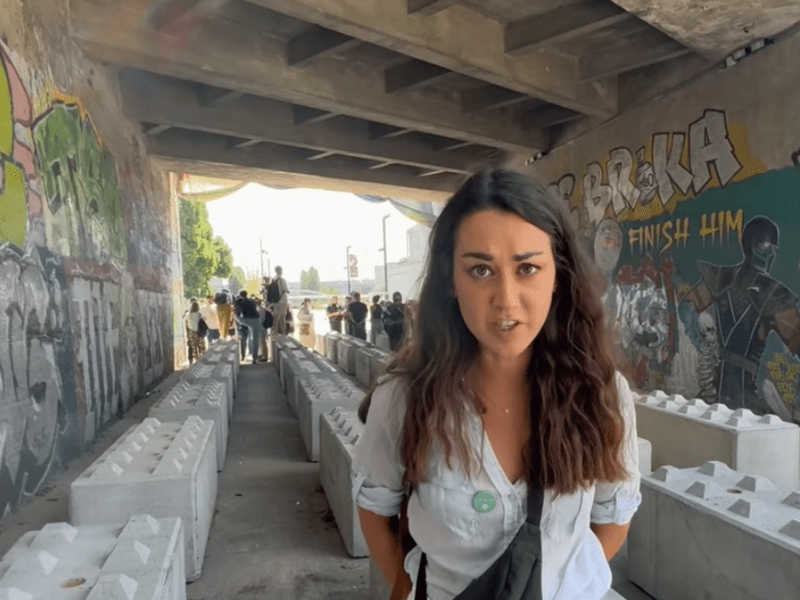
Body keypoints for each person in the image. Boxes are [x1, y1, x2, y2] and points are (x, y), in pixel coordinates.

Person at [352, 169, 641, 600]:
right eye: (481, 271)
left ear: (557, 275)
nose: (506, 299)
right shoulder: (405, 399)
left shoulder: (601, 394)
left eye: (527, 268)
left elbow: (612, 515)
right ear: (451, 280)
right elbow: (376, 510)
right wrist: (405, 584)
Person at [234, 289, 262, 364]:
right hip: (256, 319)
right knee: (255, 339)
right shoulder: (251, 300)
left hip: (246, 320)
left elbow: (238, 313)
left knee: (236, 318)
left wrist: (238, 319)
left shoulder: (239, 301)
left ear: (240, 295)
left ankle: (239, 331)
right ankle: (254, 358)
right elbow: (256, 307)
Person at [268, 266, 290, 335]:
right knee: (282, 317)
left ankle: (275, 332)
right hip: (282, 301)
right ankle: (283, 333)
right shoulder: (282, 280)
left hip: (275, 301)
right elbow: (285, 290)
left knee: (276, 317)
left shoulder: (273, 280)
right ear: (280, 271)